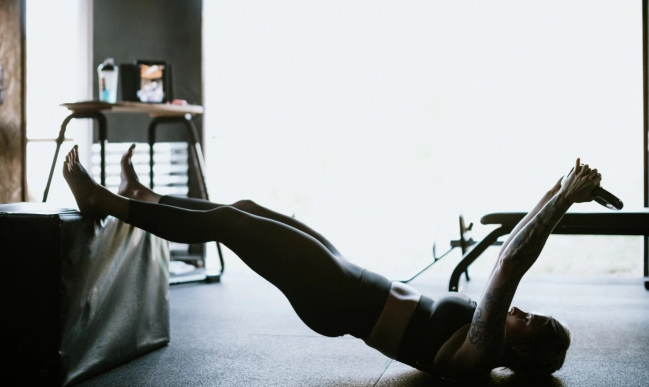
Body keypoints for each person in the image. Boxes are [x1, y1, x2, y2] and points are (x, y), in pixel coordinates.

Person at [62, 144, 602, 381]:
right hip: (345, 273)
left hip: (335, 296)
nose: (525, 314)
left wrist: (561, 203)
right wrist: (557, 186)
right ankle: (145, 196)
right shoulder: (486, 343)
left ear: (526, 352)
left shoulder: (480, 354)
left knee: (228, 224)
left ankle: (106, 202)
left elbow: (508, 262)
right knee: (244, 210)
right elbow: (509, 259)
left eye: (533, 324)